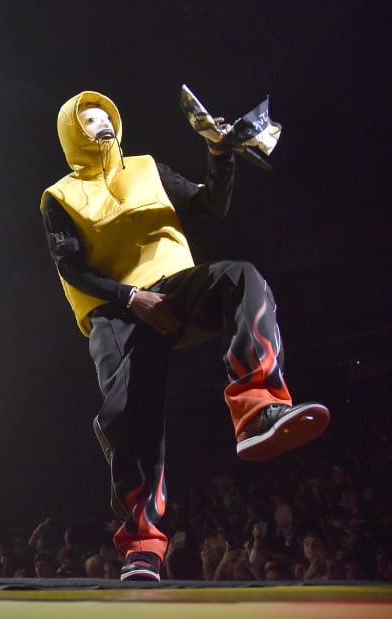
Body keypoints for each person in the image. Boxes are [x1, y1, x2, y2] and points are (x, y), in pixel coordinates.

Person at [39, 90, 330, 582]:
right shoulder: (60, 196)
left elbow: (210, 205)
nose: (101, 124)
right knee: (134, 417)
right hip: (117, 312)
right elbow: (70, 268)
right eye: (89, 120)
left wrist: (219, 153)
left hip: (173, 287)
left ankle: (259, 408)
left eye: (106, 116)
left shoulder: (147, 168)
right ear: (73, 132)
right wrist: (131, 298)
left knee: (242, 278)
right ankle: (143, 549)